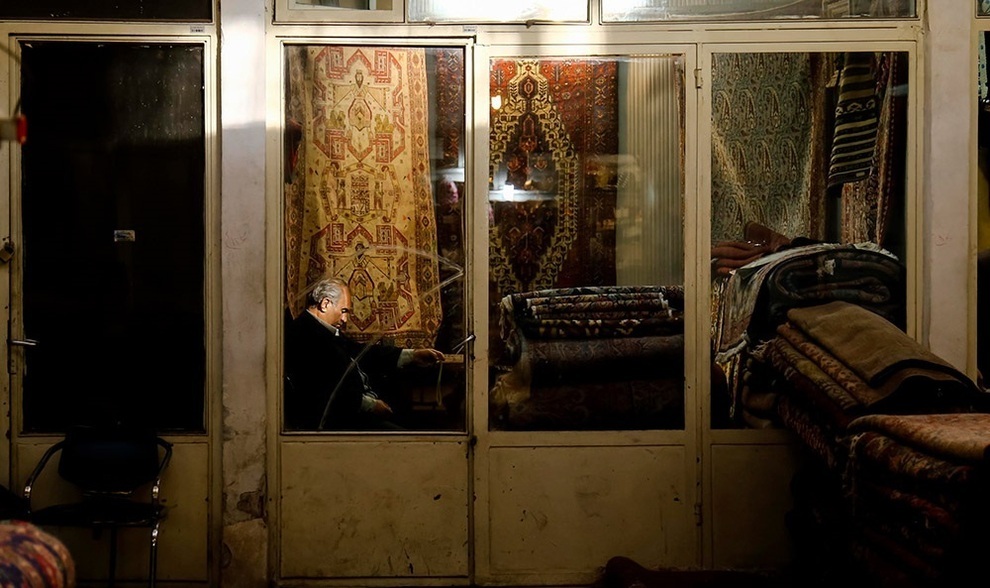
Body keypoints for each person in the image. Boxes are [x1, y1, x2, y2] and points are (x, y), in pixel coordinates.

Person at [284, 277, 444, 431]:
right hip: (342, 421)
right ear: (325, 304)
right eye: (343, 311)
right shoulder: (303, 335)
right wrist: (370, 406)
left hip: (357, 409)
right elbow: (318, 391)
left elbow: (360, 352)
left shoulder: (322, 329)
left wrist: (413, 355)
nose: (345, 319)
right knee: (408, 438)